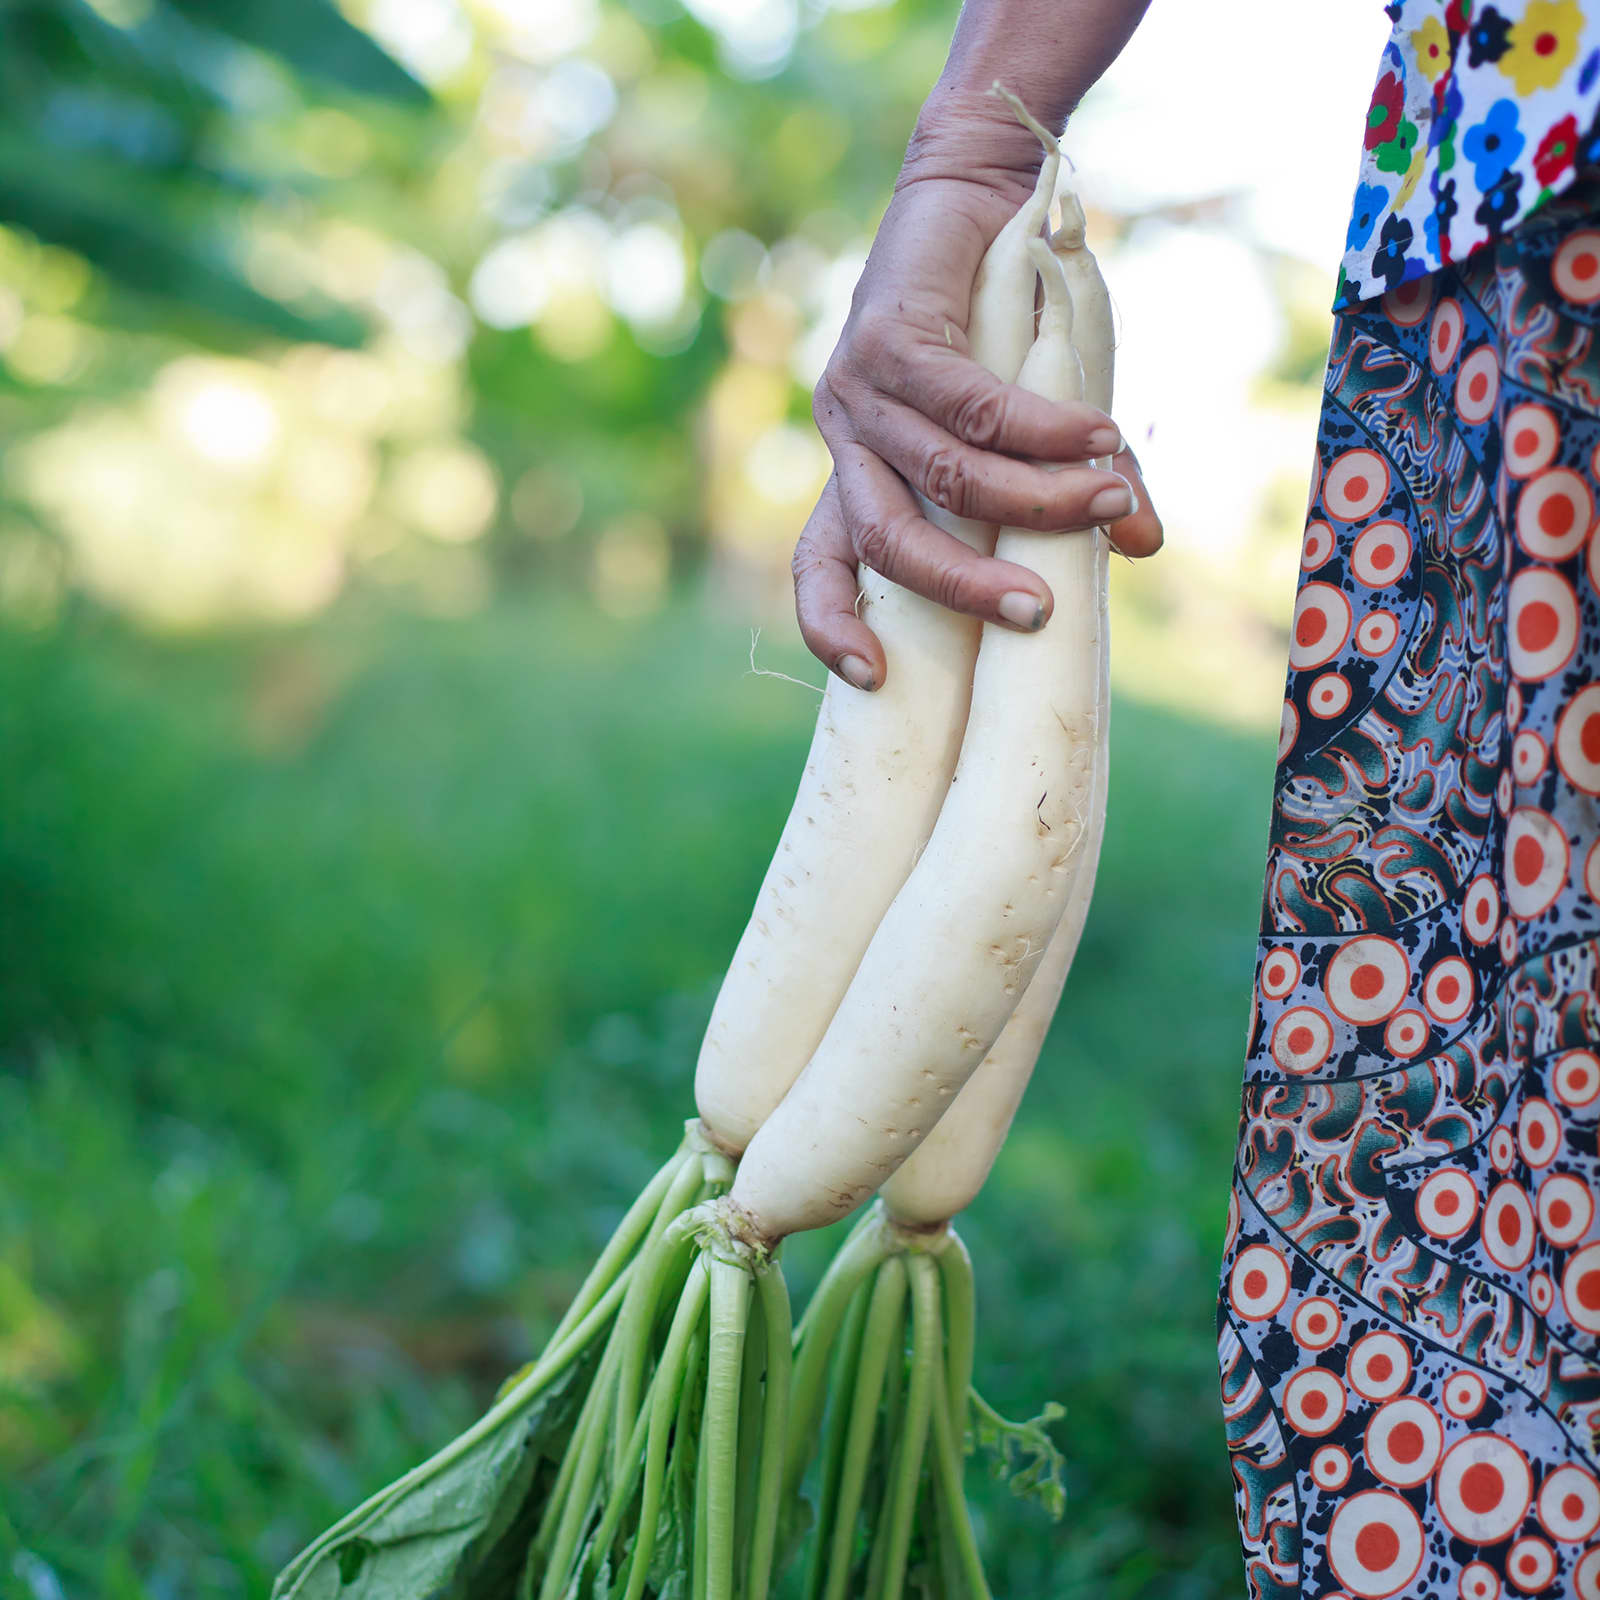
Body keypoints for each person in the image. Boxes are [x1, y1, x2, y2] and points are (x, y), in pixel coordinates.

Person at [793, 2, 1600, 1595]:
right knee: (1506, 1166)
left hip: (1532, 198)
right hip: (1527, 173)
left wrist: (966, 157)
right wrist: (967, 162)